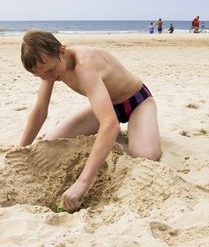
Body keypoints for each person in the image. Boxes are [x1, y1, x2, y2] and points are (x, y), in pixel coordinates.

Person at [17, 31, 161, 212]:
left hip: (137, 101)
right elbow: (39, 112)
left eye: (51, 71)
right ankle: (114, 138)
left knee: (144, 155)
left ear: (61, 50)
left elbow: (110, 125)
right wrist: (18, 151)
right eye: (42, 76)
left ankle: (141, 127)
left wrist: (81, 183)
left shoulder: (84, 66)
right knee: (51, 141)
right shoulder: (49, 67)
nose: (49, 78)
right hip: (109, 106)